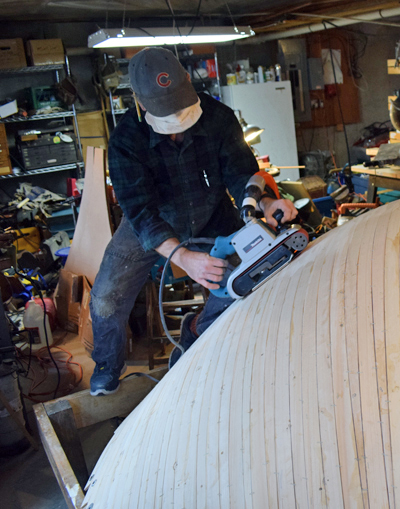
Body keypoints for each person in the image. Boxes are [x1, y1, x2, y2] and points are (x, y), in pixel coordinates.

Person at [89, 47, 297, 396]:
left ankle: (199, 334)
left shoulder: (218, 116)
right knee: (107, 295)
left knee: (244, 278)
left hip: (210, 211)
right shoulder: (126, 141)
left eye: (184, 114)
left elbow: (240, 172)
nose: (177, 131)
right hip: (153, 221)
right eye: (167, 122)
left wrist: (266, 200)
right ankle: (108, 365)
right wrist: (182, 257)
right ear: (141, 104)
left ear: (188, 83)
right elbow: (140, 212)